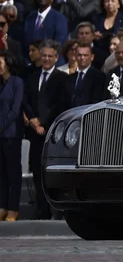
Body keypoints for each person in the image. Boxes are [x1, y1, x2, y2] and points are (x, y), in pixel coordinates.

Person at [23, 39, 68, 219]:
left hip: (51, 132)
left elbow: (60, 104)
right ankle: (41, 210)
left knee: (51, 172)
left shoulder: (62, 78)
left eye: (50, 56)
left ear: (56, 58)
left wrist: (43, 122)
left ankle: (55, 211)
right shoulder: (32, 76)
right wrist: (33, 121)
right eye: (44, 55)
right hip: (34, 133)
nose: (47, 59)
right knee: (36, 172)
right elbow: (25, 100)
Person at [0, 49, 23, 222]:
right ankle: (3, 206)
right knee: (1, 172)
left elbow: (15, 110)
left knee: (13, 172)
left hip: (11, 133)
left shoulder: (17, 82)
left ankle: (13, 208)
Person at [66, 42, 105, 108]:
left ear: (92, 57)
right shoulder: (69, 78)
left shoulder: (99, 77)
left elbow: (97, 100)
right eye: (79, 55)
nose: (82, 58)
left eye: (85, 55)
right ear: (75, 56)